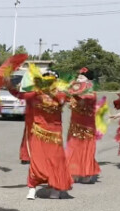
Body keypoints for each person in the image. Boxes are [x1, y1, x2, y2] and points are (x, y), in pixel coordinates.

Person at [8, 70, 73, 200]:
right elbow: (18, 94)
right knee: (37, 161)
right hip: (39, 132)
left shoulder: (61, 95)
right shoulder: (35, 94)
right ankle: (32, 188)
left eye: (51, 80)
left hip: (55, 134)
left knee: (56, 161)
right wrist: (8, 84)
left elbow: (67, 100)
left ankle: (55, 187)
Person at [65, 68, 101, 183]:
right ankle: (73, 171)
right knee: (72, 147)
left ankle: (86, 173)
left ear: (88, 79)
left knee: (85, 148)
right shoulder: (75, 87)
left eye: (82, 76)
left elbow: (88, 97)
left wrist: (74, 93)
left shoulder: (90, 89)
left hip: (87, 125)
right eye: (79, 75)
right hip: (75, 124)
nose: (79, 77)